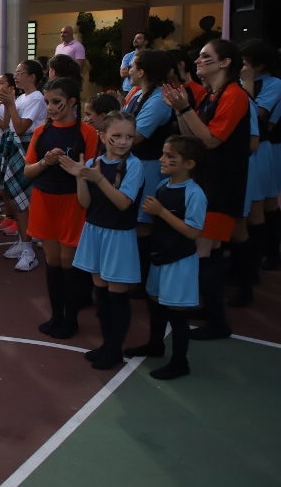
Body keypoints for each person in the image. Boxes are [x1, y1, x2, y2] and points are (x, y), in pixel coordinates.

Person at [162, 39, 249, 341]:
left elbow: (212, 140)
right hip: (208, 181)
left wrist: (185, 107)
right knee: (207, 251)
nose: (197, 61)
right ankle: (211, 311)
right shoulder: (213, 94)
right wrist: (179, 111)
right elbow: (195, 139)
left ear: (225, 62)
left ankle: (218, 321)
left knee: (204, 250)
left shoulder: (234, 95)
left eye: (205, 57)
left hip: (222, 184)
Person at [124, 135, 207, 380]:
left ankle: (180, 362)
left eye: (170, 156)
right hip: (159, 256)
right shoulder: (163, 186)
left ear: (189, 164)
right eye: (163, 154)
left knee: (176, 312)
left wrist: (160, 212)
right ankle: (155, 344)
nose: (162, 159)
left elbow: (193, 232)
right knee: (155, 301)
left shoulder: (194, 194)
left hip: (178, 260)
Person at [65, 111, 143, 369]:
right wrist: (81, 177)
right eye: (117, 136)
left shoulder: (134, 165)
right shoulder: (93, 163)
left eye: (129, 136)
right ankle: (107, 344)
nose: (123, 142)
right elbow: (85, 203)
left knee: (117, 295)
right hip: (95, 231)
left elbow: (123, 203)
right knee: (101, 294)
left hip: (118, 235)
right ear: (102, 136)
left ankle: (114, 349)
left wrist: (98, 178)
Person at [24, 76, 98, 340]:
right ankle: (57, 315)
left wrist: (76, 169)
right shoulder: (40, 132)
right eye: (47, 102)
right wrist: (45, 162)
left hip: (72, 201)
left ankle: (71, 318)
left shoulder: (87, 133)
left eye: (56, 102)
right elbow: (28, 171)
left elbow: (94, 172)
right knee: (52, 261)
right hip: (44, 199)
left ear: (72, 101)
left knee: (69, 262)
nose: (51, 107)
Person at [123, 49, 176, 296]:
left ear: (142, 72)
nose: (128, 70)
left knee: (144, 225)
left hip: (151, 167)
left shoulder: (157, 100)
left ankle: (143, 281)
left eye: (132, 66)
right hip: (138, 165)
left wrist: (107, 129)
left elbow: (136, 136)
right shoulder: (138, 93)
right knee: (135, 222)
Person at [0, 60, 48, 272]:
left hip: (27, 149)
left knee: (24, 199)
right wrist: (9, 103)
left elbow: (21, 127)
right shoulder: (23, 97)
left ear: (32, 76)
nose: (15, 76)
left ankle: (29, 249)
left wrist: (10, 104)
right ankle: (24, 242)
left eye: (20, 73)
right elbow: (8, 125)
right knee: (17, 198)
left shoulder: (36, 98)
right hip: (15, 146)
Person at [240, 41, 281, 274]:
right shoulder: (239, 81)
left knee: (265, 202)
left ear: (260, 65)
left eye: (246, 63)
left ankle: (271, 253)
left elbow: (257, 114)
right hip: (244, 148)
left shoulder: (273, 84)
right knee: (251, 203)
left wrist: (246, 84)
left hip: (264, 147)